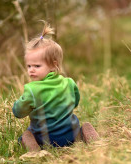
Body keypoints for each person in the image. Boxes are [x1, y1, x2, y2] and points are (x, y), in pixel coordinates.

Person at [12, 21, 99, 152]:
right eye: (29, 66)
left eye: (37, 66)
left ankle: (34, 151)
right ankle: (89, 138)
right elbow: (74, 103)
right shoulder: (69, 82)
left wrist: (17, 105)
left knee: (26, 135)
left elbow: (18, 113)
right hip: (71, 136)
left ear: (53, 65)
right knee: (82, 125)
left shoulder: (32, 89)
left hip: (45, 139)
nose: (31, 70)